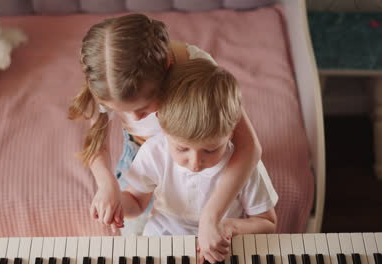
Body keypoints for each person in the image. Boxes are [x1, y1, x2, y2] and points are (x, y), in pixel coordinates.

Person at [68, 14, 262, 262]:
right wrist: (106, 184)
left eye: (145, 109)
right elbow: (96, 139)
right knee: (136, 238)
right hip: (142, 156)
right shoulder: (107, 80)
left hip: (197, 146)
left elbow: (249, 146)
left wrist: (211, 216)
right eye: (121, 110)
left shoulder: (195, 67)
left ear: (168, 69)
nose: (135, 119)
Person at [120, 58, 278, 244]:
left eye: (210, 150)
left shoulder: (245, 166)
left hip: (221, 242)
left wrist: (230, 227)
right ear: (162, 125)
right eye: (182, 148)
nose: (195, 163)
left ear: (231, 132)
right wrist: (116, 203)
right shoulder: (154, 153)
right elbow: (137, 202)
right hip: (162, 239)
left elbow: (267, 223)